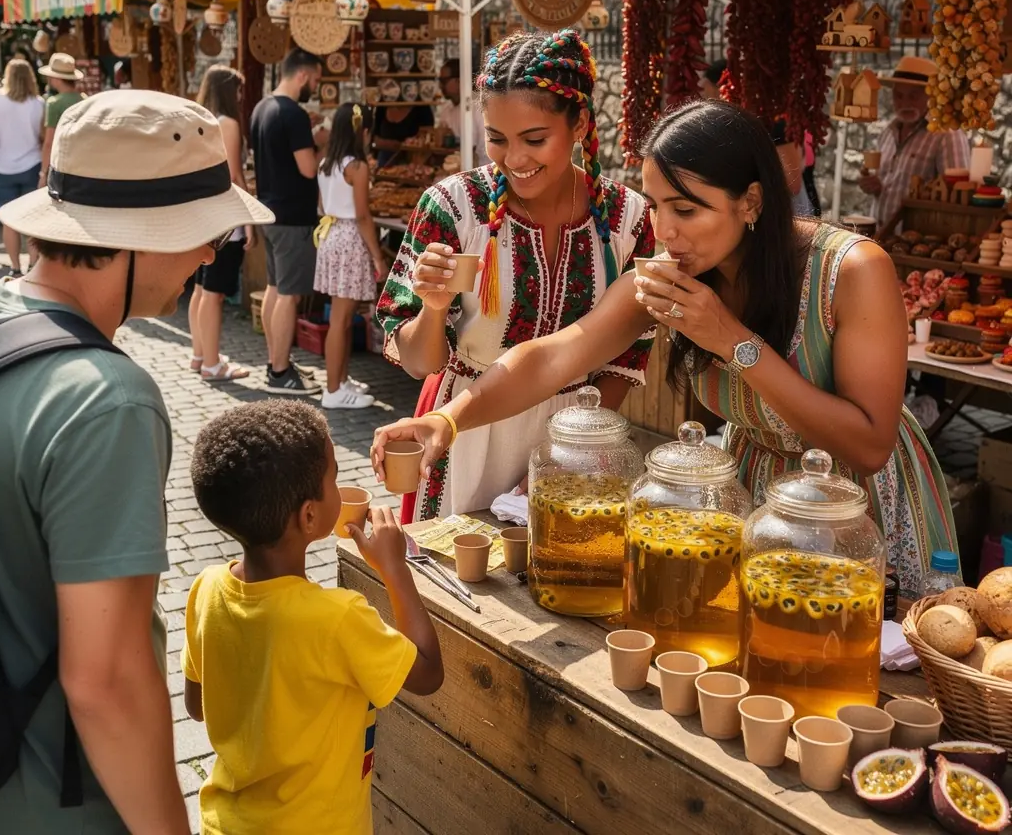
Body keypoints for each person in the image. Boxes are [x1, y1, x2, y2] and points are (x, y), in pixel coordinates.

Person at [372, 100, 958, 597]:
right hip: (752, 502)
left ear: (751, 202)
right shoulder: (671, 276)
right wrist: (447, 420)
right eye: (653, 205)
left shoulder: (852, 269)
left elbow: (871, 442)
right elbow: (556, 355)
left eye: (685, 209)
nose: (663, 229)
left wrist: (731, 340)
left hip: (856, 511)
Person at [0, 90, 273, 832]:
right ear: (137, 234)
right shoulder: (106, 401)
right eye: (201, 231)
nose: (212, 253)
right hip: (54, 799)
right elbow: (107, 681)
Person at [376, 28, 655, 523]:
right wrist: (434, 307)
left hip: (578, 434)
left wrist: (570, 449)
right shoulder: (450, 207)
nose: (515, 160)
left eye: (535, 139)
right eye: (497, 139)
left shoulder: (627, 219)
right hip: (459, 434)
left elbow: (625, 358)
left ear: (580, 123)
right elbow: (421, 363)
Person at [183, 400, 443, 834]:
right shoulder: (336, 619)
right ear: (308, 515)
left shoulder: (206, 587)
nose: (341, 486)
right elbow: (428, 672)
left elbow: (196, 706)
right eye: (335, 477)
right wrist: (394, 569)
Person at [252, 46, 327, 396]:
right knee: (289, 295)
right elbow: (308, 168)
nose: (315, 86)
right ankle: (280, 372)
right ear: (302, 75)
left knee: (274, 289)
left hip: (268, 211)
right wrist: (322, 143)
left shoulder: (262, 108)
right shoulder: (293, 114)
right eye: (315, 79)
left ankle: (275, 362)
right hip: (293, 217)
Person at [315, 103, 386, 410]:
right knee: (341, 320)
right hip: (349, 240)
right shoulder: (357, 166)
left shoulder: (325, 163)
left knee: (340, 319)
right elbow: (363, 217)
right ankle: (332, 389)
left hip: (331, 235)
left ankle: (340, 379)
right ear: (363, 130)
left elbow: (321, 207)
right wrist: (378, 257)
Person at [188, 66, 255, 382]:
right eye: (239, 90)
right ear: (230, 91)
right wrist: (250, 220)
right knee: (213, 292)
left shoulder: (199, 120)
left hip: (203, 214)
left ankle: (201, 355)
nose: (241, 96)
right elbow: (233, 176)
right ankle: (212, 363)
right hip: (225, 217)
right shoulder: (227, 123)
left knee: (202, 287)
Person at [858, 56, 970, 231]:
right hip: (881, 237)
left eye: (913, 96)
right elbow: (891, 186)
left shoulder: (947, 135)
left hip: (917, 243)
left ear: (931, 97)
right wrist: (875, 187)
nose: (904, 104)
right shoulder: (888, 132)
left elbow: (957, 197)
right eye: (899, 96)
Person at [0, 59, 45, 276]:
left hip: (1, 167)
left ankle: (14, 268)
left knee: (8, 220)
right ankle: (32, 264)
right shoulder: (38, 103)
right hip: (32, 165)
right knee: (32, 219)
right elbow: (42, 136)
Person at [38, 52, 85, 185]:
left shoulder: (53, 103)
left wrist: (43, 173)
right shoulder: (84, 99)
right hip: (82, 162)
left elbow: (48, 142)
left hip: (62, 163)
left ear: (57, 78)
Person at [437, 58, 488, 166]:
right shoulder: (446, 109)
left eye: (444, 81)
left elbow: (482, 147)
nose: (440, 86)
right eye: (440, 81)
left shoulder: (478, 106)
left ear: (460, 80)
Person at [370, 101, 434, 168]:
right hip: (384, 162)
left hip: (413, 162)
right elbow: (375, 140)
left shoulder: (422, 107)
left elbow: (428, 139)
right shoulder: (383, 105)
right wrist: (393, 145)